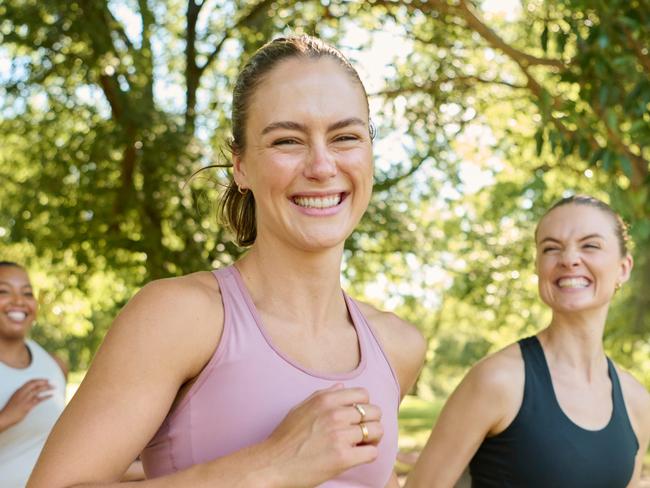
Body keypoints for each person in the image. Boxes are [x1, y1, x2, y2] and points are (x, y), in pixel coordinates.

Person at [28, 35, 426, 487]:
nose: (321, 165)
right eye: (287, 140)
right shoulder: (179, 316)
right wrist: (272, 464)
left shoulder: (398, 347)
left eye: (345, 137)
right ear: (240, 165)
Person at [406, 195, 650, 488]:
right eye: (551, 248)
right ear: (538, 267)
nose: (569, 259)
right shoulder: (497, 380)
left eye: (590, 246)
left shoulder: (637, 403)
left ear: (623, 268)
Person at [0, 261, 67, 488]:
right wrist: (7, 417)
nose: (19, 301)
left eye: (27, 293)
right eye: (4, 291)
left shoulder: (55, 365)